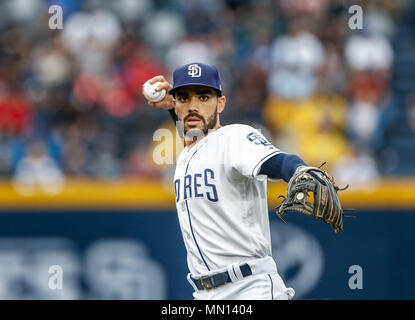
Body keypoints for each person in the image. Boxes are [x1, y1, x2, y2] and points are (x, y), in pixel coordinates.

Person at [144, 62, 309, 300]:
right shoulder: (188, 152)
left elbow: (277, 162)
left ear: (221, 103)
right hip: (205, 294)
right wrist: (173, 108)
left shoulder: (235, 137)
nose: (193, 106)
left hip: (249, 289)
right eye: (183, 98)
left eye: (203, 97)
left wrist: (299, 170)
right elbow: (193, 133)